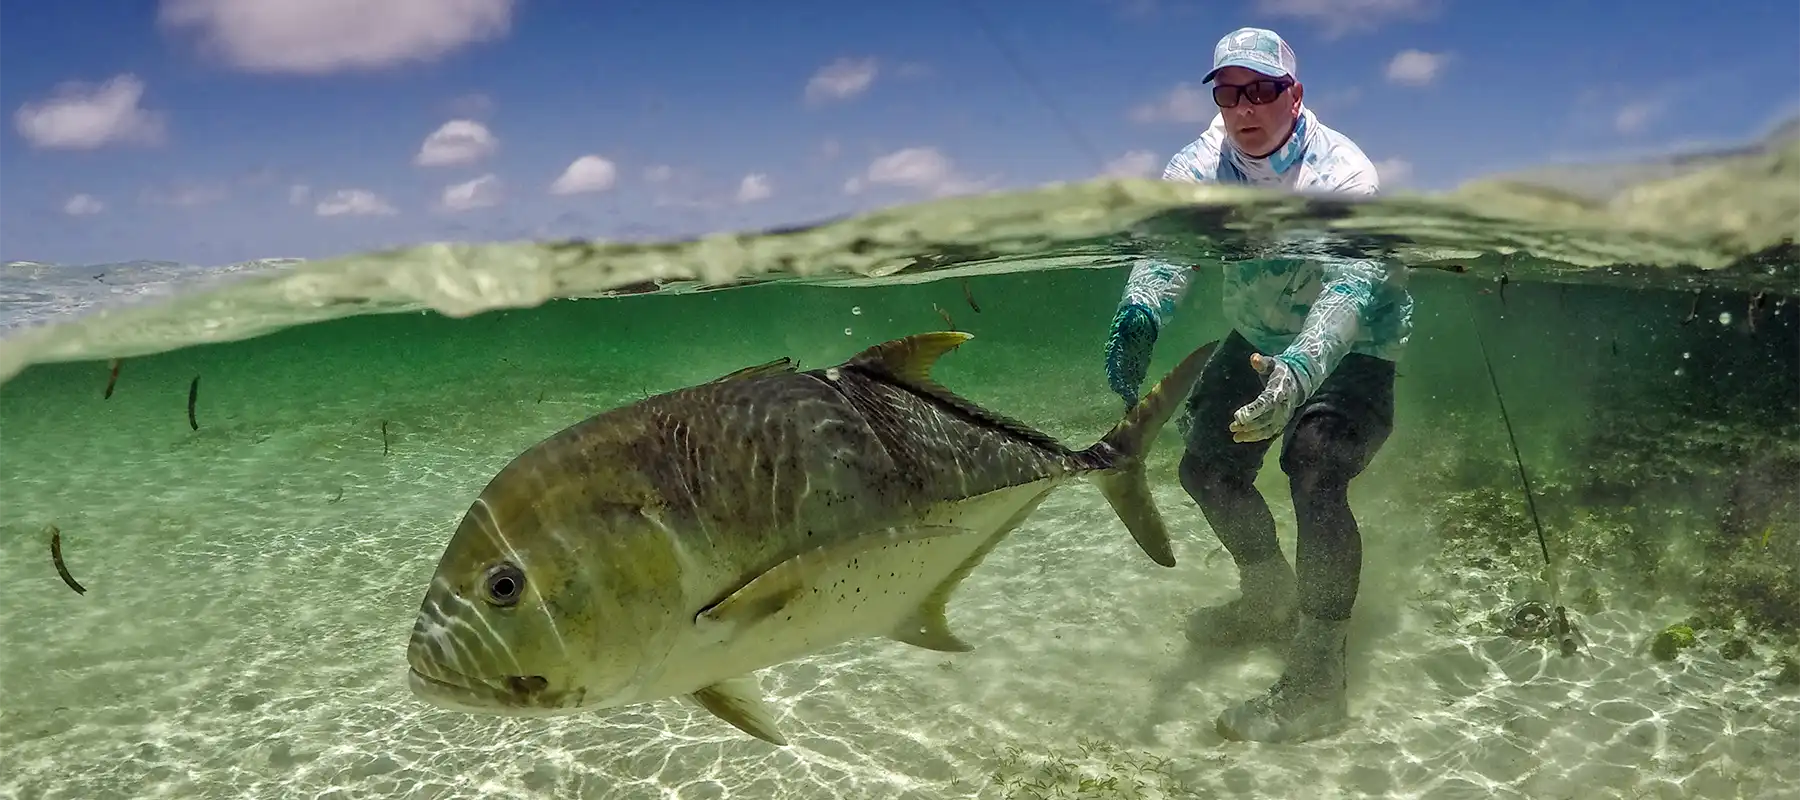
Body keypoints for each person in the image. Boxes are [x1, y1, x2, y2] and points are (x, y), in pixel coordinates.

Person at [1103, 26, 1413, 744]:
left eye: (1263, 90)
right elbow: (1170, 246)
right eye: (1229, 91)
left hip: (1357, 340)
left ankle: (1319, 678)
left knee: (1315, 464)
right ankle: (1267, 597)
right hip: (1260, 331)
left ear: (1294, 94)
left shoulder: (1343, 173)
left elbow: (1352, 284)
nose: (1245, 107)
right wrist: (1141, 309)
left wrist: (1301, 375)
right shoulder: (1200, 161)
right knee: (1205, 469)